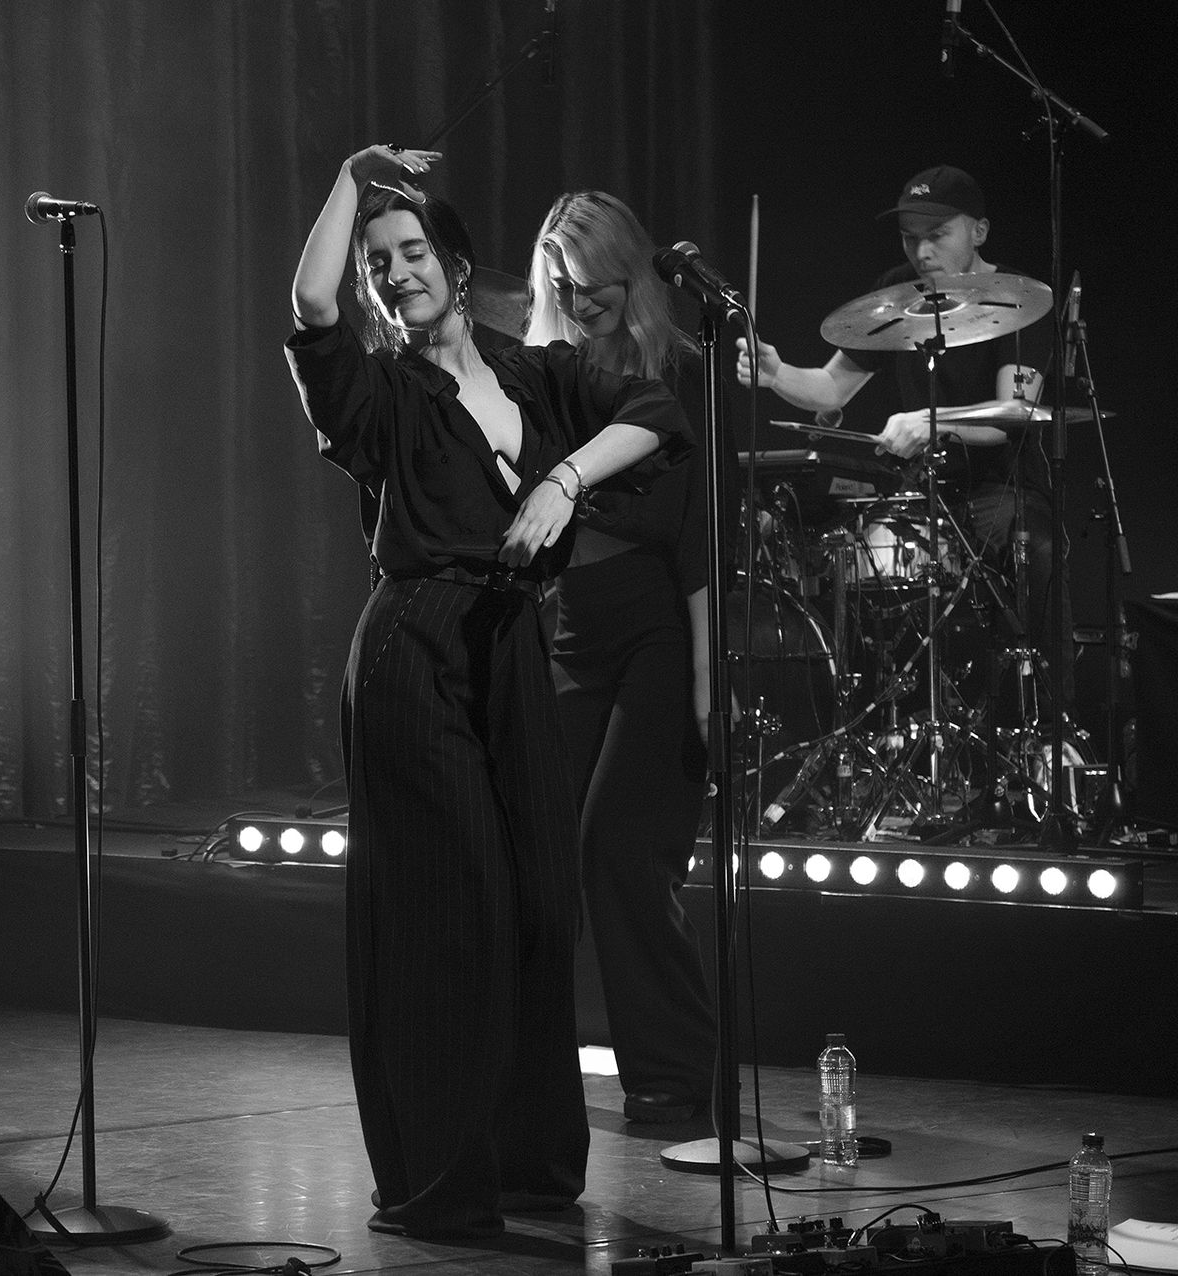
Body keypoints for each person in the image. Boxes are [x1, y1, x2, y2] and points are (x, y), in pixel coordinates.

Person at [286, 145, 689, 1239]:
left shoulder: (532, 371)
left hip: (512, 649)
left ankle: (526, 1162)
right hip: (414, 651)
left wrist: (564, 477)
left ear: (459, 267)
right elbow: (311, 303)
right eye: (382, 261)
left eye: (413, 250)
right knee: (454, 913)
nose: (395, 272)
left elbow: (658, 413)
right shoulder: (381, 390)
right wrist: (353, 178)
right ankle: (437, 1181)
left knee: (538, 907)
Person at [524, 192, 718, 1125]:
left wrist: (705, 676)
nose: (577, 296)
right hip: (572, 625)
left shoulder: (676, 369)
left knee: (623, 851)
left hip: (653, 625)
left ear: (630, 271)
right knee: (544, 847)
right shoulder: (548, 372)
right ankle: (531, 1073)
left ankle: (674, 1080)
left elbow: (696, 539)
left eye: (592, 279)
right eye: (559, 281)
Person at [735, 166, 1063, 697]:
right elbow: (830, 389)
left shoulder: (1017, 299)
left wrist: (934, 423)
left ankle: (1048, 720)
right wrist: (777, 375)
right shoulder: (896, 291)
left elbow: (1012, 415)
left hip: (998, 488)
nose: (921, 251)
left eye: (937, 235)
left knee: (1040, 547)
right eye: (911, 237)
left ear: (978, 231)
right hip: (918, 490)